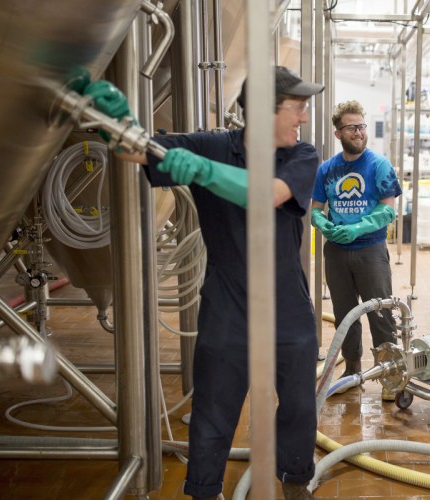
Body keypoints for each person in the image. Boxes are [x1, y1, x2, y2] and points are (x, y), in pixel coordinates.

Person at [81, 66, 324, 500]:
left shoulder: (301, 155)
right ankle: (205, 490)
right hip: (227, 302)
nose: (303, 117)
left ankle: (296, 481)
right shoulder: (212, 146)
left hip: (286, 302)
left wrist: (202, 172)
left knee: (300, 408)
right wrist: (113, 124)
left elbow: (267, 194)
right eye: (298, 107)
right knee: (213, 410)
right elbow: (135, 152)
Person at [310, 100, 402, 401]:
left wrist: (358, 227)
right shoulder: (327, 170)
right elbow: (315, 209)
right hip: (335, 253)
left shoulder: (379, 166)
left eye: (362, 126)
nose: (360, 132)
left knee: (381, 313)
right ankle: (352, 370)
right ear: (339, 133)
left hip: (370, 250)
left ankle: (390, 374)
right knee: (345, 314)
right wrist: (323, 225)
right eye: (352, 127)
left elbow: (389, 210)